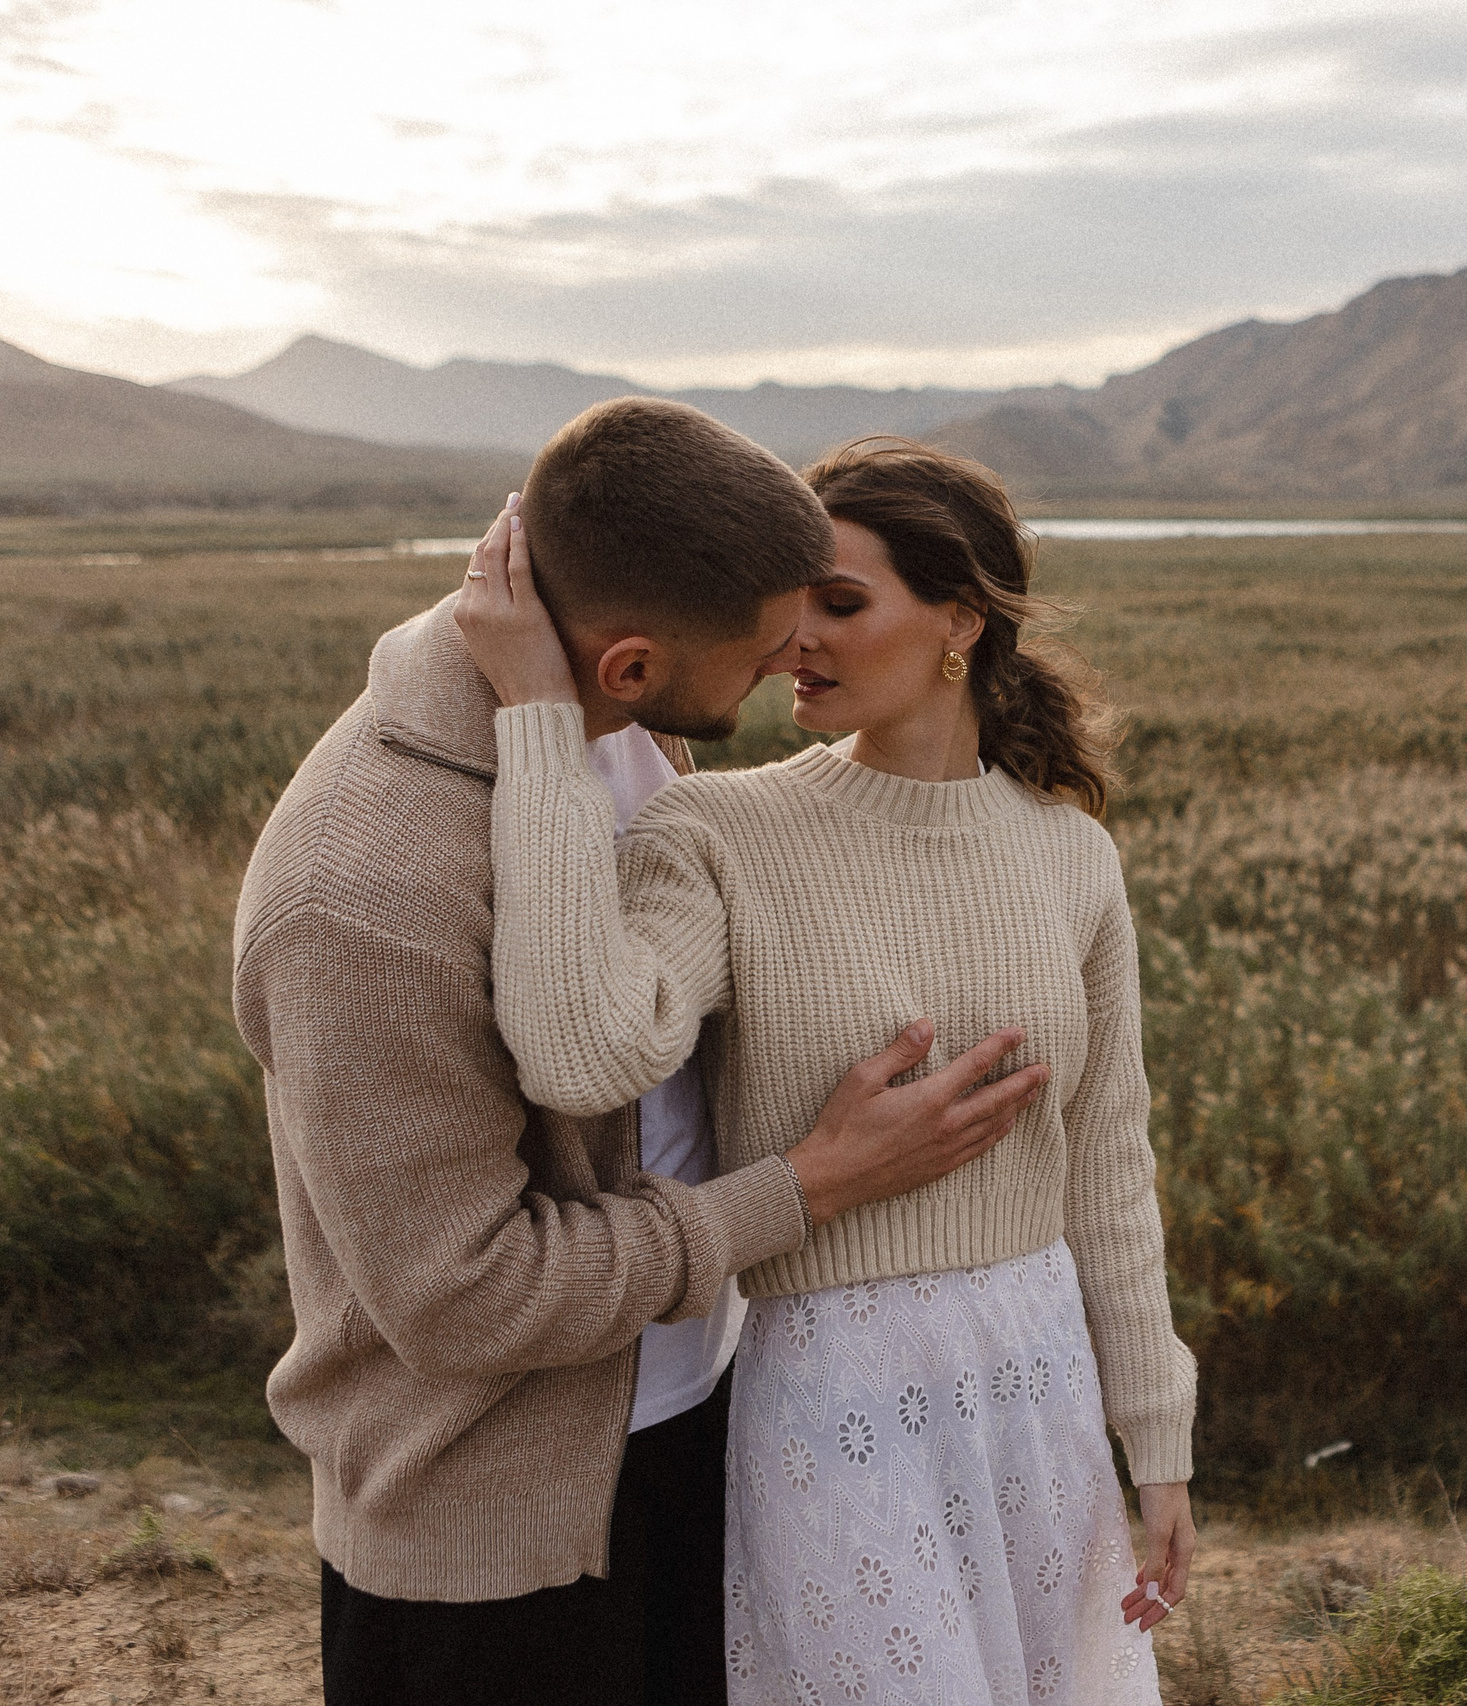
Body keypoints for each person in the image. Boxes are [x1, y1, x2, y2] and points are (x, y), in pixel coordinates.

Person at [231, 400, 1050, 1706]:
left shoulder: (620, 734)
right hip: (492, 1541)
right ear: (626, 663)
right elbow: (464, 1295)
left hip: (688, 1432)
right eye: (768, 643)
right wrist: (805, 1187)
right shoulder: (365, 893)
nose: (795, 663)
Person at [455, 438, 1196, 1705]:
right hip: (834, 1388)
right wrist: (537, 713)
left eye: (842, 605)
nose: (797, 638)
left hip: (1036, 1379)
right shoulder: (719, 828)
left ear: (959, 619)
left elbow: (1109, 1167)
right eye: (794, 605)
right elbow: (583, 1050)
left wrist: (1158, 1439)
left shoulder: (1072, 857)